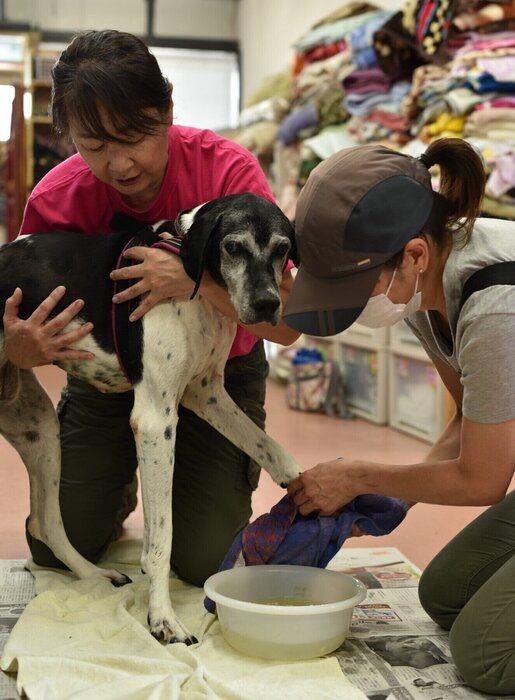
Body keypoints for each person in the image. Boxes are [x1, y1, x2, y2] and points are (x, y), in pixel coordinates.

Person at [3, 29, 298, 587]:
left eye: (134, 135)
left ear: (166, 110)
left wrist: (192, 278)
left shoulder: (229, 176)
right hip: (109, 379)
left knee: (205, 560)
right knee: (54, 544)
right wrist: (20, 349)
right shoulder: (56, 200)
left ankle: (177, 479)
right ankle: (114, 481)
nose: (118, 164)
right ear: (67, 137)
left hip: (220, 371)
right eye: (94, 144)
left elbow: (287, 330)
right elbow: (23, 313)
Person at [284, 138, 514, 696]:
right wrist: (399, 493)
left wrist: (361, 476)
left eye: (354, 288)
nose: (356, 306)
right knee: (444, 595)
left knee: (485, 657)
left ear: (413, 254)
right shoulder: (426, 285)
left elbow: (484, 479)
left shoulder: (495, 305)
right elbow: (470, 420)